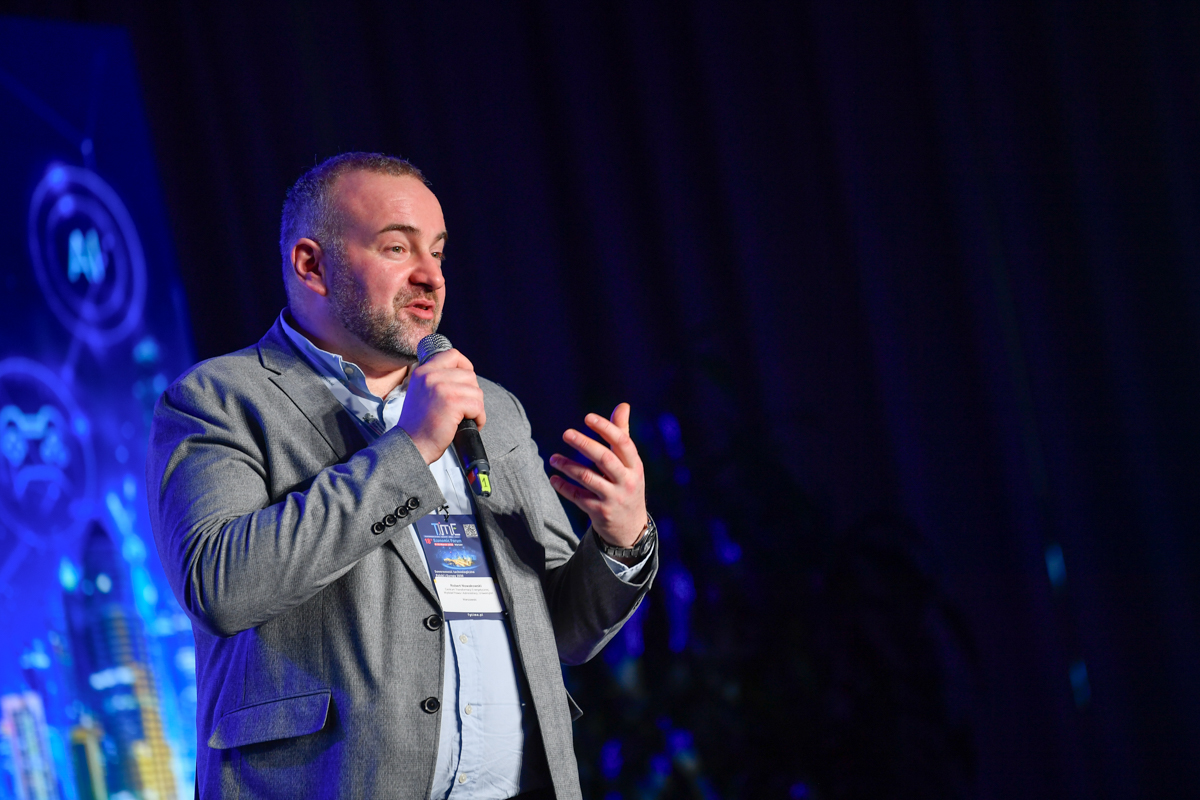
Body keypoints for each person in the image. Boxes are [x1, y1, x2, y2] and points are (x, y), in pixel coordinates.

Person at [147, 153, 657, 800]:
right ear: (311, 265)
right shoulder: (218, 399)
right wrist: (411, 450)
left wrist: (620, 539)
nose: (431, 276)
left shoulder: (490, 408)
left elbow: (560, 629)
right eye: (397, 247)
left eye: (438, 252)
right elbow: (221, 586)